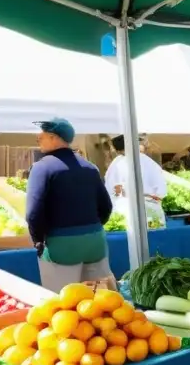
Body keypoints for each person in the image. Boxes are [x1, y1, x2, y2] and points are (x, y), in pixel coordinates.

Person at [25, 118, 113, 292]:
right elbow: (106, 207)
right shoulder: (90, 167)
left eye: (42, 135)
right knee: (99, 301)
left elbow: (33, 213)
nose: (38, 138)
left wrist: (38, 241)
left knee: (62, 304)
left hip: (61, 245)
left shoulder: (42, 168)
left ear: (54, 138)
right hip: (95, 241)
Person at [105, 135, 167, 228]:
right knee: (154, 238)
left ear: (116, 150)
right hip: (151, 210)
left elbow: (110, 191)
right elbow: (161, 189)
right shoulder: (148, 161)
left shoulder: (116, 164)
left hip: (125, 213)